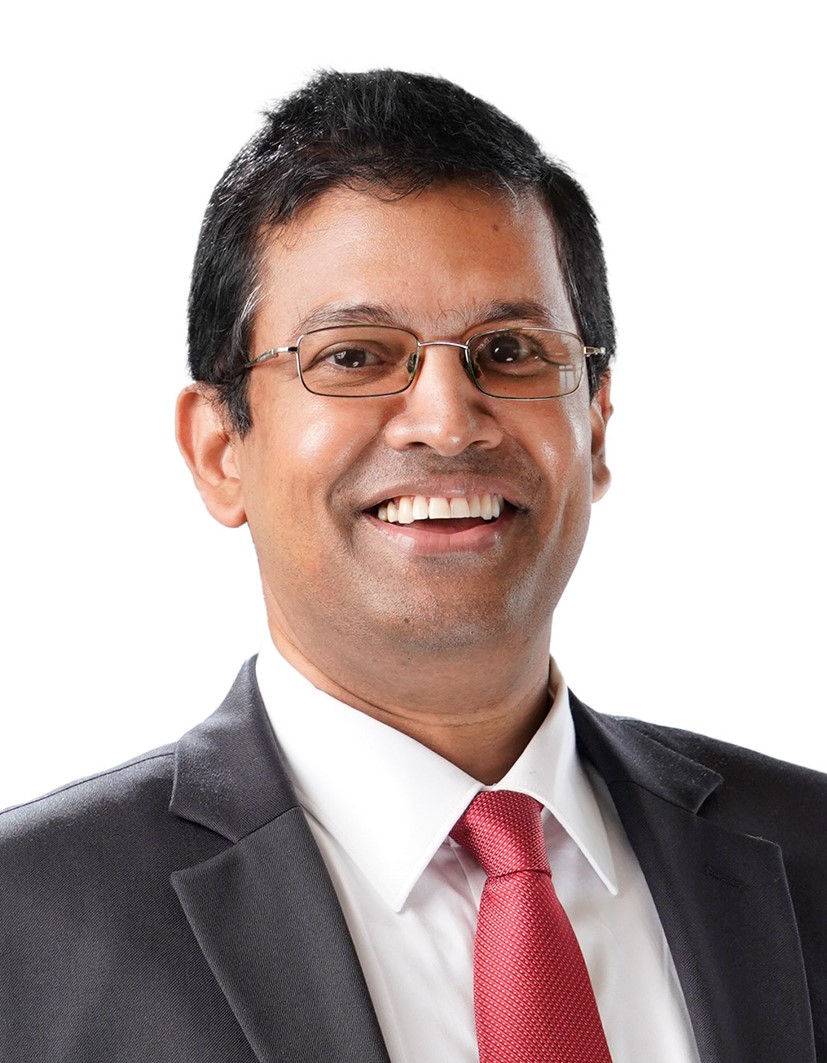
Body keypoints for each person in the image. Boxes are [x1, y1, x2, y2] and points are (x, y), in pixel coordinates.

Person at [1, 69, 824, 1063]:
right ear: (219, 450)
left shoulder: (810, 856)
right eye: (353, 356)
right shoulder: (25, 931)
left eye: (510, 350)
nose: (446, 420)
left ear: (595, 429)